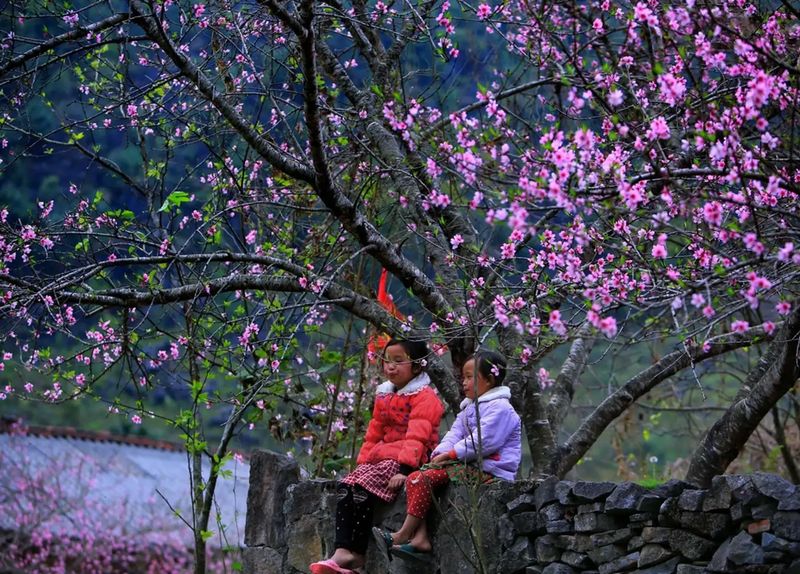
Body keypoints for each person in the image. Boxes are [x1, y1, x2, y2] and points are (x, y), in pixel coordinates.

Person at [310, 337, 445, 574]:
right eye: (387, 360)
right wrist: (362, 463)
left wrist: (404, 470)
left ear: (416, 366)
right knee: (347, 484)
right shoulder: (385, 394)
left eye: (398, 361)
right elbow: (374, 432)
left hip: (411, 459)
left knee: (362, 487)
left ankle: (356, 555)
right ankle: (342, 550)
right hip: (383, 458)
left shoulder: (425, 397)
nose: (390, 367)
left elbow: (418, 436)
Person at [373, 349, 521, 562]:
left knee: (424, 478)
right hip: (468, 465)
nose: (464, 382)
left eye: (470, 377)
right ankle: (420, 538)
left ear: (489, 380)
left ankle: (402, 535)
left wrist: (451, 454)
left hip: (491, 470)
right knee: (417, 477)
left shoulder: (501, 408)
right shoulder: (469, 408)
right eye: (463, 377)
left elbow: (484, 441)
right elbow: (454, 434)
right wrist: (441, 453)